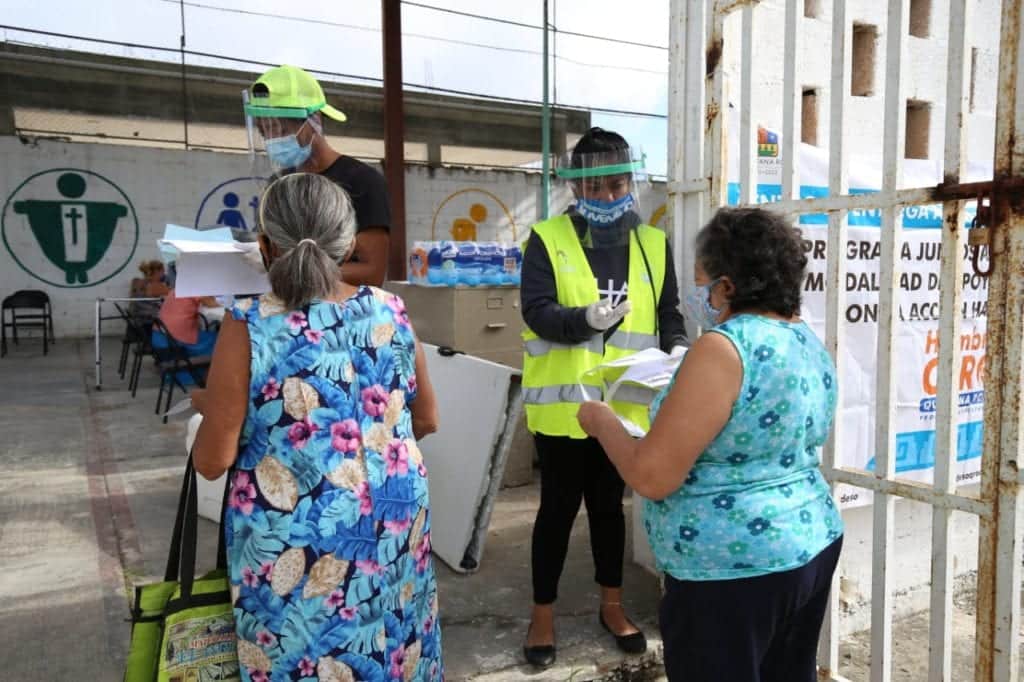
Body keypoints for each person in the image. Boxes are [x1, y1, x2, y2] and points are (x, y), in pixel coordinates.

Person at [191, 172, 443, 682]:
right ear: (348, 244)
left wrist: (214, 404)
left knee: (303, 659)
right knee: (397, 650)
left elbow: (212, 460)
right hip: (394, 525)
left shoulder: (250, 322)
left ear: (264, 247)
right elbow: (428, 418)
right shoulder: (391, 309)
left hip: (299, 542)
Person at [577, 207, 843, 682]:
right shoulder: (801, 336)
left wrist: (602, 423)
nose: (695, 295)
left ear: (728, 285)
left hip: (732, 567)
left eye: (701, 280)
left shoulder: (722, 348)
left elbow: (652, 477)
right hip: (809, 540)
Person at [519, 127, 688, 667]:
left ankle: (612, 606)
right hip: (565, 409)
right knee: (556, 511)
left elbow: (668, 313)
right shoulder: (546, 239)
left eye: (618, 186)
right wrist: (581, 321)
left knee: (609, 511)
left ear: (630, 182)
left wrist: (679, 347)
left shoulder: (653, 243)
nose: (610, 198)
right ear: (575, 188)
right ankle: (542, 614)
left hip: (624, 410)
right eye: (597, 189)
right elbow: (536, 310)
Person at [244, 64, 391, 287]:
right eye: (266, 133)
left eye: (282, 130)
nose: (274, 140)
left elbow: (372, 272)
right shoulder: (278, 186)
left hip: (343, 314)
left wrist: (297, 274)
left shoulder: (363, 182)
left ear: (314, 120)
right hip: (287, 310)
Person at [154, 266, 220, 358]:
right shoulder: (193, 288)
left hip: (160, 335)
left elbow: (207, 300)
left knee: (211, 336)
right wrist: (231, 302)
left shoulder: (181, 287)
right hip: (173, 340)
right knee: (219, 339)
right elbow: (210, 303)